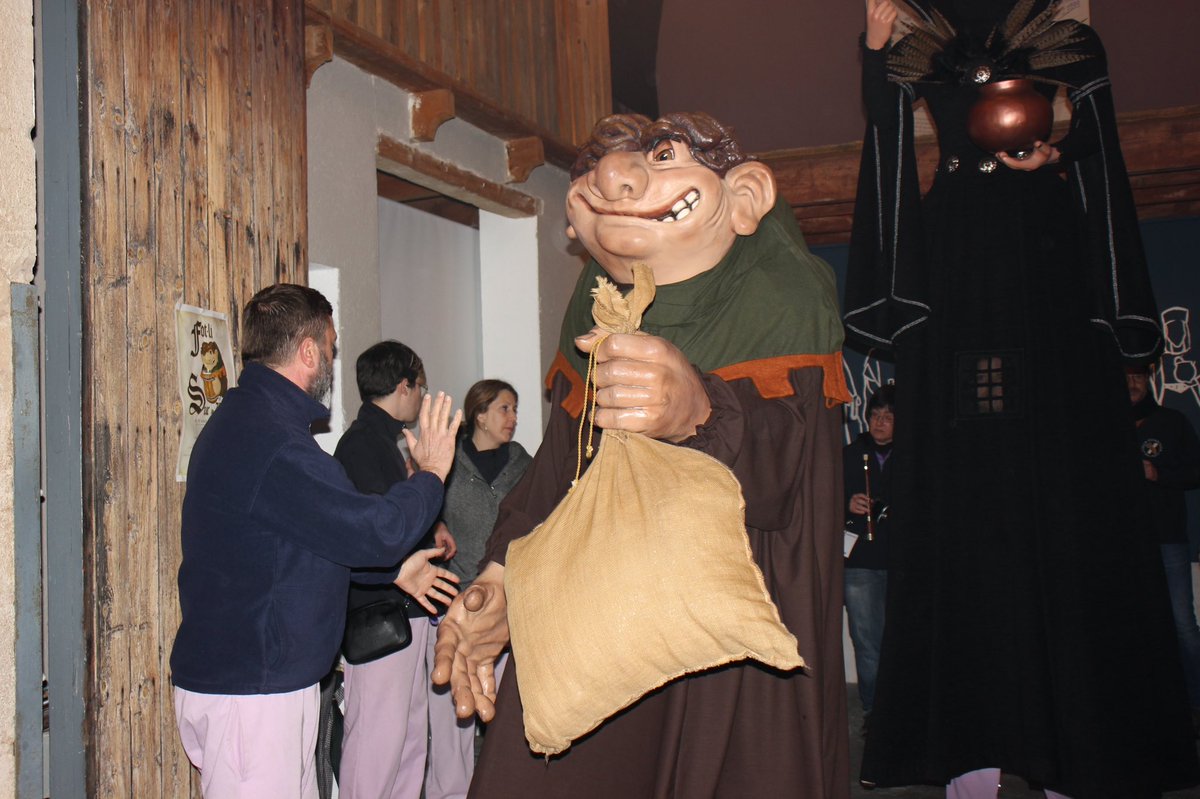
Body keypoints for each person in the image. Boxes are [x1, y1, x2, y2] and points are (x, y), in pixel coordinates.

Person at [434, 112, 851, 797]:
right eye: (598, 170)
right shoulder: (594, 313)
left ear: (743, 197)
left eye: (663, 156)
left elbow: (788, 478)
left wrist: (702, 410)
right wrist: (502, 581)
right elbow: (557, 477)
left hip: (728, 641)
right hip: (604, 618)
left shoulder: (783, 296)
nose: (618, 178)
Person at [846, 2, 1199, 796]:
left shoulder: (1062, 27)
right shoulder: (918, 34)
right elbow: (886, 125)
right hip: (955, 260)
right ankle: (967, 759)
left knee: (1069, 512)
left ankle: (1076, 751)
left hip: (1047, 248)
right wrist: (873, 47)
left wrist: (1053, 149)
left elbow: (1099, 130)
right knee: (960, 527)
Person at [170, 284, 462, 798]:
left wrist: (393, 570)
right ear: (308, 351)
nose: (332, 355)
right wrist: (433, 473)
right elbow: (373, 529)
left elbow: (308, 542)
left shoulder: (256, 426)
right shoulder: (272, 442)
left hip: (258, 685)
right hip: (252, 692)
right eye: (330, 343)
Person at [333, 340, 460, 799]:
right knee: (376, 746)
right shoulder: (362, 444)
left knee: (408, 742)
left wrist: (435, 524)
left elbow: (400, 512)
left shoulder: (385, 439)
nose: (423, 398)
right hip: (380, 611)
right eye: (421, 387)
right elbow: (375, 532)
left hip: (406, 608)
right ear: (403, 385)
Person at [425, 380, 532, 799]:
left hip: (509, 608)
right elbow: (424, 508)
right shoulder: (449, 463)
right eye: (505, 409)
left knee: (506, 712)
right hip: (453, 602)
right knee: (453, 715)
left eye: (515, 409)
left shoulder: (525, 464)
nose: (513, 418)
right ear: (480, 414)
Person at [1128, 364, 1200, 723]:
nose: (1132, 384)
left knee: (1181, 623)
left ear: (1149, 380)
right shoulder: (1100, 425)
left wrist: (1158, 474)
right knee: (1127, 625)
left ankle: (1196, 702)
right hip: (1119, 543)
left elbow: (1196, 471)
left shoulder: (1171, 421)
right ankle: (1143, 709)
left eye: (1138, 376)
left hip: (1167, 539)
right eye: (1125, 377)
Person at [842, 383, 896, 728]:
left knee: (901, 639)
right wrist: (846, 505)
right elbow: (822, 496)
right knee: (867, 641)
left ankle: (902, 710)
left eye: (888, 417)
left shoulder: (913, 456)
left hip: (901, 559)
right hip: (860, 561)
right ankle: (874, 712)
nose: (879, 422)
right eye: (875, 415)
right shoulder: (849, 454)